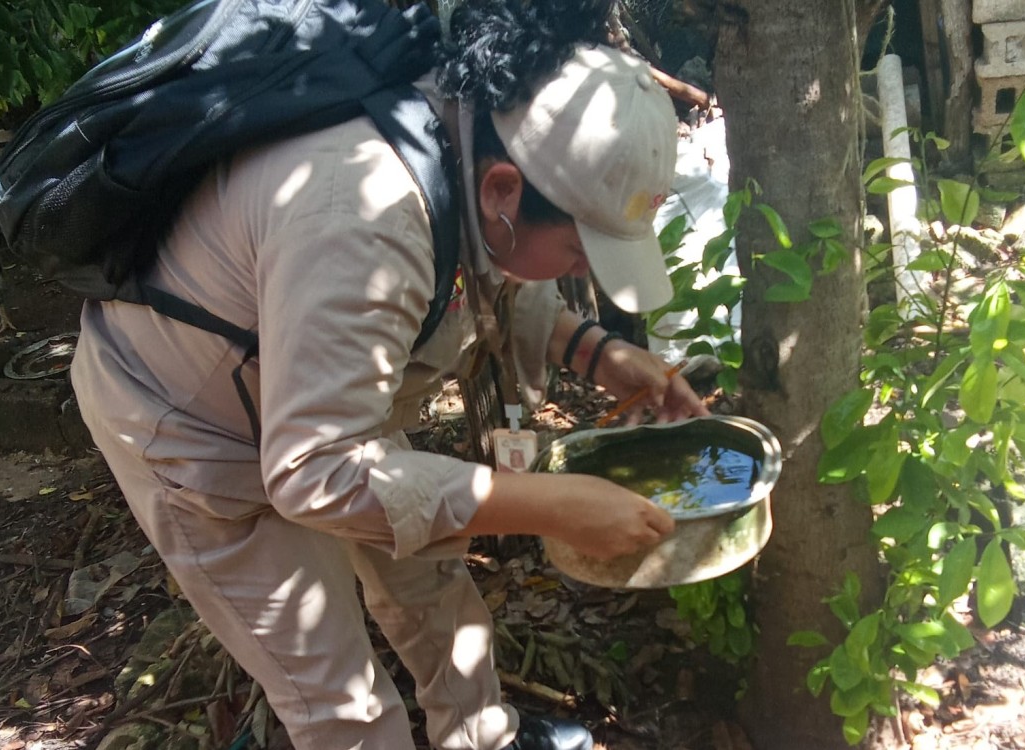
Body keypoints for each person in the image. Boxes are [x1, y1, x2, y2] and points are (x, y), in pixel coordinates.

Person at [70, 0, 709, 748]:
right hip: (190, 424)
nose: (578, 274)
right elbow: (312, 473)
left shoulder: (468, 130)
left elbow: (487, 277)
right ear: (505, 191)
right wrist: (551, 504)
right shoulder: (362, 216)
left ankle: (480, 738)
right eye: (578, 254)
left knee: (432, 584)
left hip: (318, 400)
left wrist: (596, 352)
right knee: (341, 700)